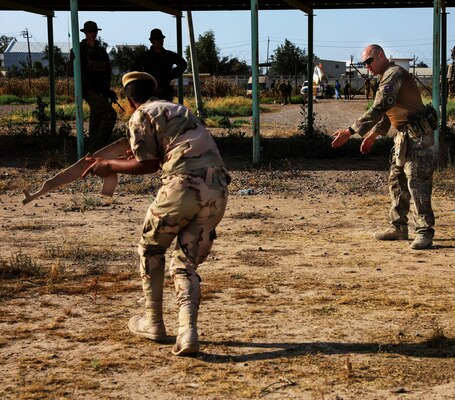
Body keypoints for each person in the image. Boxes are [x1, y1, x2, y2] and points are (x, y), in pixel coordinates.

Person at [82, 71, 230, 356]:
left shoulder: (140, 115)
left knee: (150, 248)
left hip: (182, 188)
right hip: (217, 191)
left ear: (128, 99)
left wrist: (108, 165)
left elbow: (147, 166)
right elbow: (170, 151)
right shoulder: (180, 111)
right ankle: (188, 333)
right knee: (185, 264)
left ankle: (153, 322)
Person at [331, 44, 435, 250]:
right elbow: (389, 113)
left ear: (380, 56)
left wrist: (350, 131)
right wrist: (373, 135)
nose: (367, 66)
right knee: (396, 181)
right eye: (364, 63)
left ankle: (424, 231)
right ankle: (399, 227)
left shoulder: (393, 73)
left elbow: (380, 106)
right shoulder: (385, 77)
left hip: (419, 137)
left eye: (369, 61)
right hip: (404, 137)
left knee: (417, 182)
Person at [75, 21, 117, 151]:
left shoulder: (101, 51)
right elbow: (74, 69)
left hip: (101, 90)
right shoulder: (79, 49)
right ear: (85, 33)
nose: (92, 34)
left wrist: (107, 91)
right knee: (110, 114)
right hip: (89, 90)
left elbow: (107, 71)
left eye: (94, 32)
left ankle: (92, 151)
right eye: (89, 32)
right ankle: (96, 148)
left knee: (96, 119)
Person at [134, 28, 187, 101]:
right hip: (150, 93)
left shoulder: (169, 55)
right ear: (151, 41)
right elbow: (134, 72)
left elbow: (183, 64)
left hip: (165, 93)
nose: (159, 41)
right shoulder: (145, 57)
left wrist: (172, 76)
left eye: (160, 39)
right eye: (156, 39)